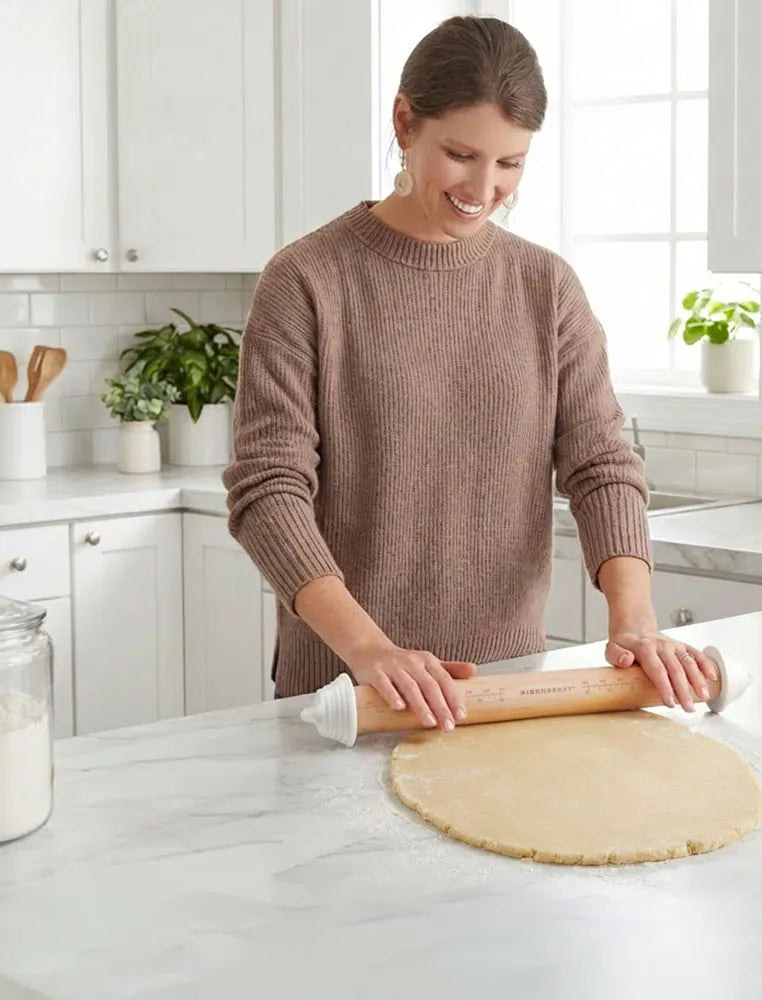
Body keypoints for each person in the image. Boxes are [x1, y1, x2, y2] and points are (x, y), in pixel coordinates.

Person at [223, 14, 717, 730]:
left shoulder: (546, 288)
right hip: (345, 696)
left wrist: (634, 618)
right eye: (461, 154)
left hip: (506, 689)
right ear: (404, 121)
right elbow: (268, 491)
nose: (484, 189)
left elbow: (601, 463)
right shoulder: (306, 280)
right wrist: (371, 649)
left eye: (510, 164)